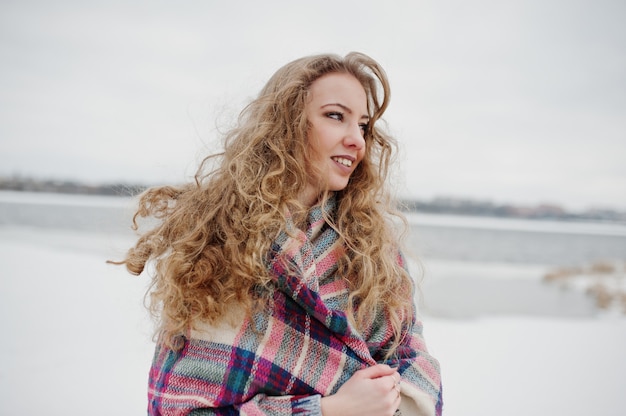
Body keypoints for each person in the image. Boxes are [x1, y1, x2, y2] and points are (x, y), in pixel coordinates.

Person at [116, 52, 443, 415]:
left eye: (363, 125)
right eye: (336, 116)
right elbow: (180, 408)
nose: (357, 140)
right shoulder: (220, 246)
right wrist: (329, 410)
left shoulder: (373, 250)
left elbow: (412, 357)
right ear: (286, 122)